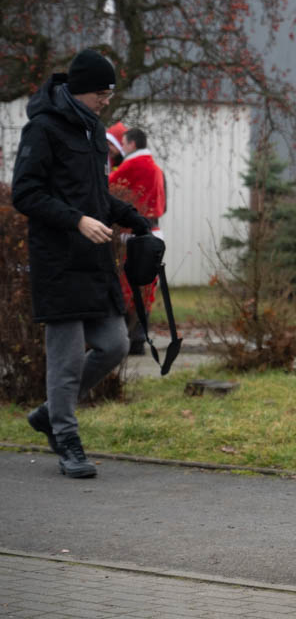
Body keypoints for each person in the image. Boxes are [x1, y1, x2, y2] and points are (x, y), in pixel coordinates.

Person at [12, 48, 153, 479]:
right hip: (58, 260)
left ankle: (51, 412)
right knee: (67, 358)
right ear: (79, 90)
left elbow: (92, 196)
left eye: (109, 92)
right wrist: (76, 221)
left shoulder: (92, 130)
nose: (106, 100)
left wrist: (128, 216)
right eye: (101, 92)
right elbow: (26, 193)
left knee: (114, 345)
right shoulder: (43, 129)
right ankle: (67, 440)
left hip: (93, 258)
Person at [109, 127, 167, 356]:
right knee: (146, 289)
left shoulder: (133, 165)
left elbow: (108, 186)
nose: (122, 148)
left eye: (123, 143)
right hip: (153, 230)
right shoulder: (156, 168)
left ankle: (128, 338)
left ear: (131, 144)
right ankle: (139, 338)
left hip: (133, 234)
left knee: (127, 288)